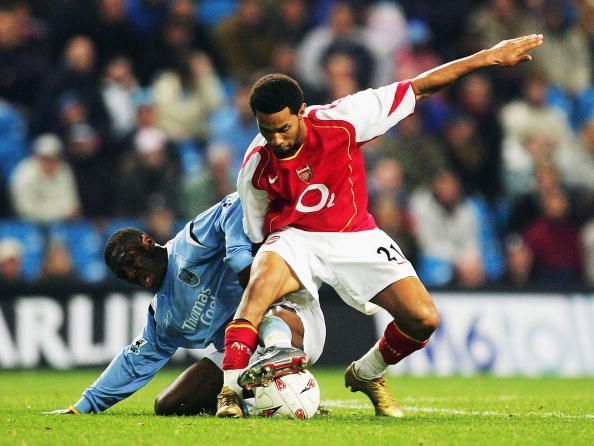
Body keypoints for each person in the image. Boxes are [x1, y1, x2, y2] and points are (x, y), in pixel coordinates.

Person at [216, 34, 544, 418]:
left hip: (356, 234)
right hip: (295, 239)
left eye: (283, 128)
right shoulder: (256, 164)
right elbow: (259, 232)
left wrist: (487, 57)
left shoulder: (344, 119)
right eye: (266, 129)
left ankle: (368, 373)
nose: (276, 138)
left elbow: (419, 87)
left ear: (302, 111)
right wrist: (268, 275)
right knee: (256, 295)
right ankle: (229, 393)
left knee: (423, 318)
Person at [46, 193, 325, 415]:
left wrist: (238, 254)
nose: (132, 274)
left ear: (147, 241)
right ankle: (266, 399)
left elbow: (236, 201)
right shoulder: (163, 316)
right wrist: (83, 406)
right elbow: (133, 363)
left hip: (295, 321)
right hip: (243, 354)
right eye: (124, 274)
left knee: (255, 304)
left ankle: (280, 353)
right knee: (170, 405)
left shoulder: (190, 244)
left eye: (130, 262)